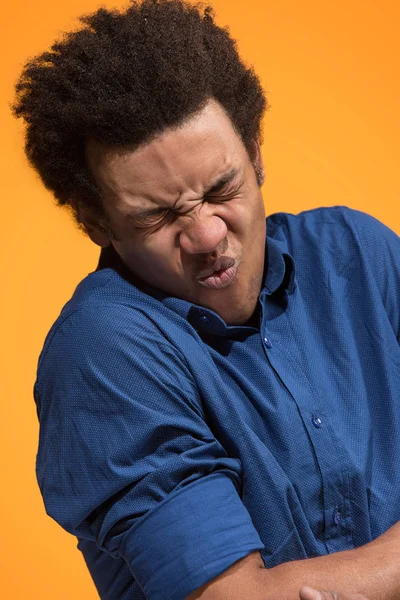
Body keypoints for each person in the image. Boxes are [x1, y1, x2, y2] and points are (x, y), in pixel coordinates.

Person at [12, 0, 399, 598]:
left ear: (257, 152)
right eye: (160, 216)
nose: (208, 236)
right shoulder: (102, 352)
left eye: (224, 188)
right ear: (96, 222)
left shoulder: (357, 252)